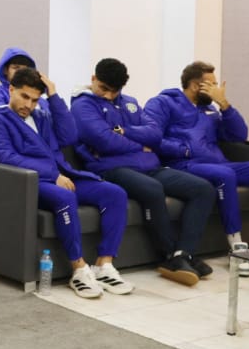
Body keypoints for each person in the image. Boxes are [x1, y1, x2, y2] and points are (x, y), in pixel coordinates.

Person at [0, 67, 134, 299]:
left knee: (115, 194)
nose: (28, 105)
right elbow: (5, 157)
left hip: (62, 176)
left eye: (35, 100)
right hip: (30, 182)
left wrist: (53, 96)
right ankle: (79, 269)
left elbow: (69, 136)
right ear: (11, 90)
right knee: (65, 197)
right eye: (24, 96)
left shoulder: (40, 117)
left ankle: (104, 264)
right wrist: (53, 176)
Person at [71, 58, 217, 286]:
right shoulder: (83, 105)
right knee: (151, 189)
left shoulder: (130, 103)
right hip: (111, 168)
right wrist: (140, 145)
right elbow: (104, 141)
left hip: (150, 166)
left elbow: (155, 133)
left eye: (114, 90)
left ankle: (184, 254)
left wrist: (123, 132)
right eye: (103, 88)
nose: (108, 95)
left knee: (203, 189)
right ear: (93, 79)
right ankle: (169, 256)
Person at [144, 61, 249, 277]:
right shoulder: (163, 103)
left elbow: (238, 136)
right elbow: (151, 136)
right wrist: (184, 150)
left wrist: (224, 105)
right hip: (184, 165)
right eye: (212, 84)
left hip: (220, 164)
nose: (217, 89)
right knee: (225, 175)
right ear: (194, 85)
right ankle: (237, 247)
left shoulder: (209, 109)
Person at [0, 47, 38, 113]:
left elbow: (47, 116)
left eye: (24, 70)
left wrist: (50, 95)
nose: (20, 72)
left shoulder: (35, 94)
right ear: (5, 70)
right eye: (16, 68)